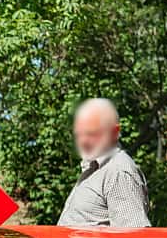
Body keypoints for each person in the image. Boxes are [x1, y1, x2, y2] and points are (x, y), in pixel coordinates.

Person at [57, 98, 150, 229]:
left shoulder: (118, 172)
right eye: (79, 134)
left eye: (91, 133)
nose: (83, 141)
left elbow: (132, 236)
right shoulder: (95, 168)